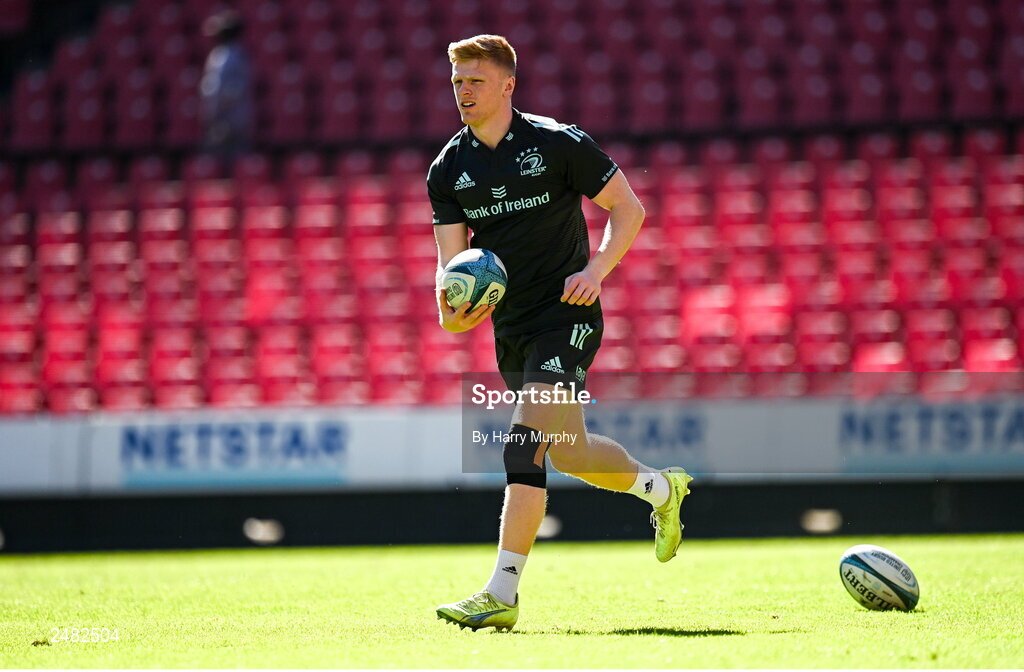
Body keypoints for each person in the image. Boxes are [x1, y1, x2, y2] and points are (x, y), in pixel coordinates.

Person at [427, 35, 693, 632]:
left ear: (506, 85)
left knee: (522, 445)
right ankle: (660, 489)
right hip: (512, 325)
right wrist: (449, 309)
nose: (463, 92)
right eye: (456, 83)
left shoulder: (557, 142)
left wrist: (595, 271)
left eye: (474, 81)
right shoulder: (449, 169)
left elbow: (629, 209)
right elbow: (449, 266)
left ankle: (502, 593)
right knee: (568, 451)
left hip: (567, 312)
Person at [199, 10, 253, 161]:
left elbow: (217, 91)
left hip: (224, 120)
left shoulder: (222, 56)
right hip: (237, 118)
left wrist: (213, 115)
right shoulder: (240, 53)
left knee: (218, 165)